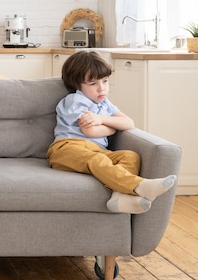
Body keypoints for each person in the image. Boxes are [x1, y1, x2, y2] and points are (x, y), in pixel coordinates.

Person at [47, 51, 176, 214]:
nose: (102, 88)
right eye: (93, 84)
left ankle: (118, 196)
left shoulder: (105, 105)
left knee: (130, 156)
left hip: (96, 151)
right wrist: (113, 125)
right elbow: (92, 131)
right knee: (98, 159)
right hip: (66, 149)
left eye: (105, 81)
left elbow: (129, 123)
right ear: (77, 85)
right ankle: (138, 185)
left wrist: (101, 119)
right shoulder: (76, 100)